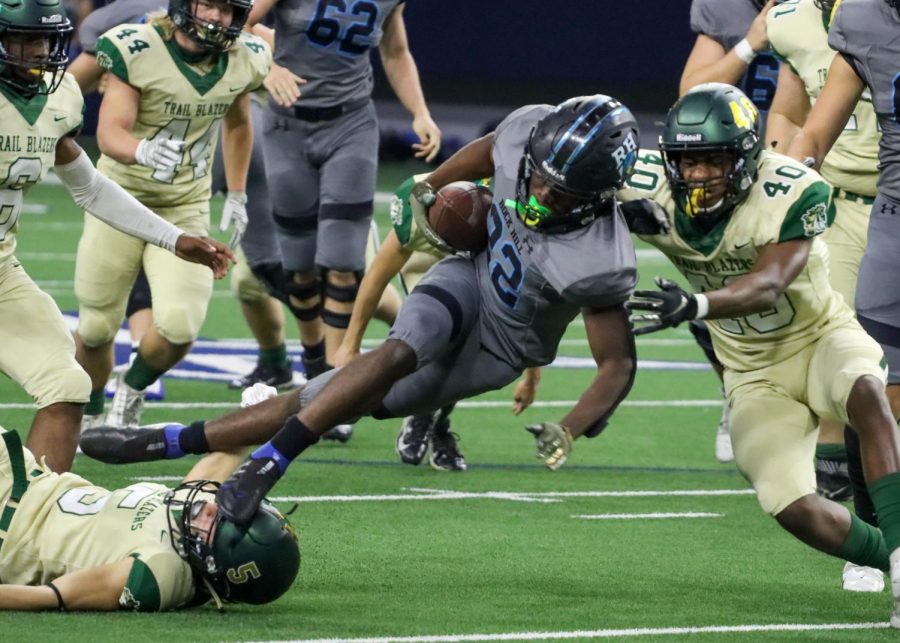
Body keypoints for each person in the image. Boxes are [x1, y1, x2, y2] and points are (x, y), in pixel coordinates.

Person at [81, 95, 643, 527]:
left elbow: (615, 362)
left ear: (599, 196)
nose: (541, 196)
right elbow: (496, 144)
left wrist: (570, 429)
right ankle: (269, 463)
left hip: (499, 346)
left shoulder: (600, 259)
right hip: (468, 275)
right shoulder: (530, 134)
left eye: (562, 195)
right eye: (540, 178)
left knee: (339, 393)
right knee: (397, 351)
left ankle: (169, 441)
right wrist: (437, 184)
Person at [620, 83, 900, 625]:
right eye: (687, 162)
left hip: (819, 337)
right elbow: (537, 154)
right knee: (792, 507)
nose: (698, 175)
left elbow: (769, 283)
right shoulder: (644, 184)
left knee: (867, 396)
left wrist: (696, 303)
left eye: (712, 160)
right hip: (752, 371)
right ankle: (883, 557)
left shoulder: (792, 189)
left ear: (746, 156)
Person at [0, 0, 232, 473]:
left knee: (69, 386)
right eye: (24, 40)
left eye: (45, 40)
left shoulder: (57, 98)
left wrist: (174, 238)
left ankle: (32, 523)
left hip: (2, 275)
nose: (37, 52)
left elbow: (89, 187)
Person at [244, 0, 442, 442]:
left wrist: (420, 112)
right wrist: (268, 67)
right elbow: (231, 23)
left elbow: (395, 52)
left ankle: (331, 384)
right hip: (286, 127)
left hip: (351, 123)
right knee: (297, 264)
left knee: (342, 258)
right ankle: (313, 366)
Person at [72, 0, 272, 430]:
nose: (218, 18)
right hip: (119, 198)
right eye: (210, 5)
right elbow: (108, 133)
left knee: (180, 328)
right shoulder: (138, 46)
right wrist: (141, 149)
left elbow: (238, 122)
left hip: (185, 204)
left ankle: (133, 386)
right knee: (94, 328)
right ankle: (84, 409)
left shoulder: (246, 58)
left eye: (228, 9)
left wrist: (236, 193)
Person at [765, 0, 882, 590]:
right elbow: (793, 120)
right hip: (841, 209)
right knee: (858, 379)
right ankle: (872, 526)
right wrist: (775, 192)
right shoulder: (796, 19)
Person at [331, 173, 542, 471]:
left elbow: (528, 307)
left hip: (482, 258)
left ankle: (435, 420)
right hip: (425, 261)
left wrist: (532, 377)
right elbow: (378, 275)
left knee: (473, 341)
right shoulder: (417, 206)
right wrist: (349, 345)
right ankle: (427, 416)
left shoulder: (510, 222)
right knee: (433, 335)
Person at [0, 428, 299, 611]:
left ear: (216, 564)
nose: (210, 508)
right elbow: (229, 449)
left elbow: (50, 596)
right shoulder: (199, 514)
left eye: (218, 523)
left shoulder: (160, 570)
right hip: (26, 476)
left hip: (8, 528)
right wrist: (258, 415)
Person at [681, 0, 780, 463]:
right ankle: (738, 393)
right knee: (721, 300)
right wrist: (749, 44)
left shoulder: (838, 11)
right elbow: (690, 95)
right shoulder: (726, 8)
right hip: (734, 173)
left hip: (808, 168)